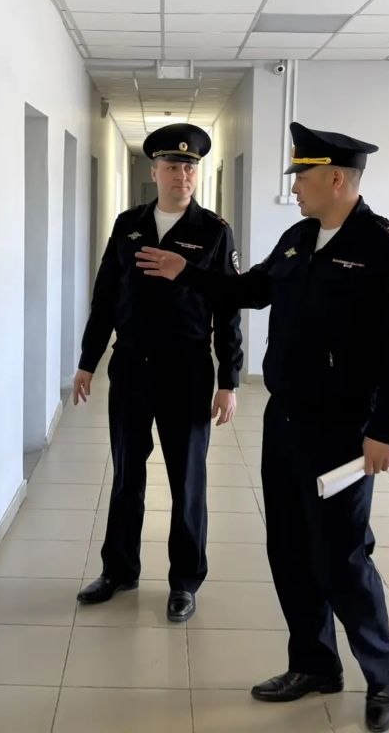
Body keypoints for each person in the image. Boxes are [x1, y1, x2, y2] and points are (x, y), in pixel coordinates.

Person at [135, 121, 389, 732]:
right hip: (285, 418)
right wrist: (188, 272)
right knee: (288, 547)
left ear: (336, 179)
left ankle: (382, 674)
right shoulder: (298, 238)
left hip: (343, 429)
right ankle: (313, 663)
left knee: (342, 554)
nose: (294, 188)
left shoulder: (381, 246)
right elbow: (251, 289)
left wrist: (386, 429)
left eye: (302, 178)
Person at [73, 123, 243, 623]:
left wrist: (229, 380)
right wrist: (88, 361)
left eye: (189, 167)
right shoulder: (128, 224)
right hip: (131, 366)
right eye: (172, 166)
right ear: (155, 172)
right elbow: (106, 296)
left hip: (187, 369)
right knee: (127, 473)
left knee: (187, 478)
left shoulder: (213, 231)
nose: (181, 175)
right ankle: (119, 569)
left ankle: (184, 581)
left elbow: (228, 309)